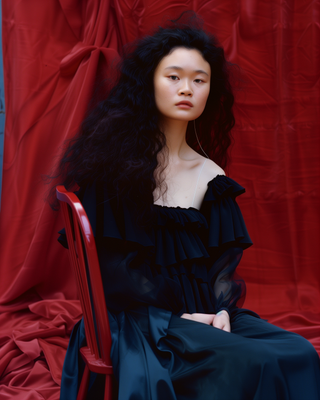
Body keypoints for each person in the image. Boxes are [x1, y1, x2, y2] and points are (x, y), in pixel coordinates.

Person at [56, 12, 320, 400]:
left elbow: (220, 269)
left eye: (199, 80)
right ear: (150, 83)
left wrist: (224, 311)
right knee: (255, 361)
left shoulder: (210, 175)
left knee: (299, 351)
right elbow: (116, 274)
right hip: (141, 320)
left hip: (205, 316)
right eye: (174, 77)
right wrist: (179, 318)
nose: (187, 89)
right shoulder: (115, 166)